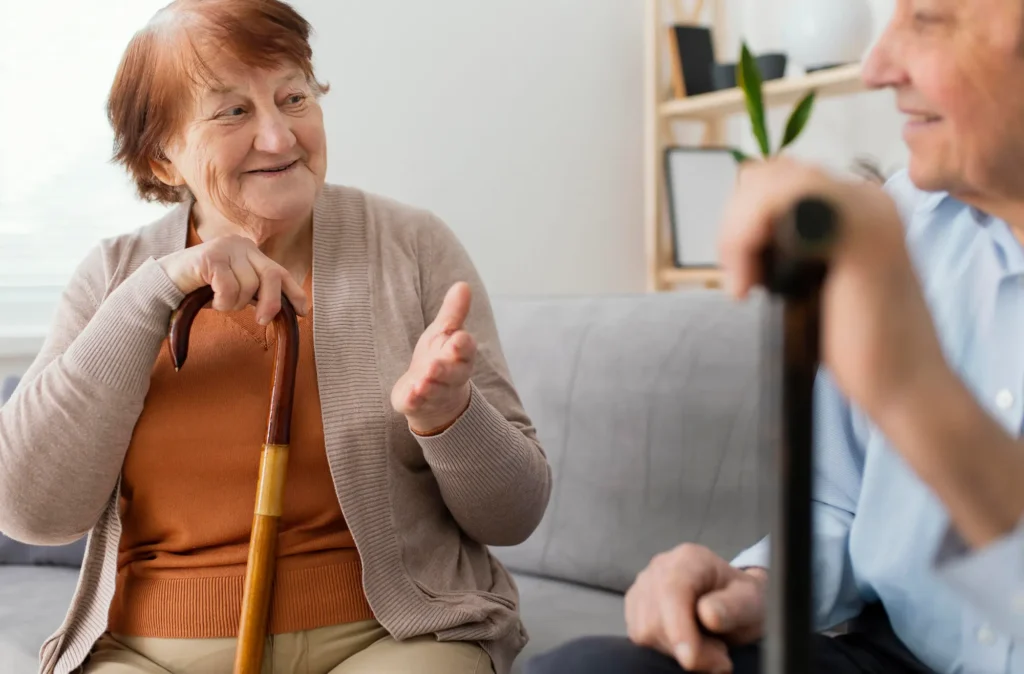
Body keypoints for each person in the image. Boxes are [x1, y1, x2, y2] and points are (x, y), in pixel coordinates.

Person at [0, 1, 551, 673]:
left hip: (395, 637)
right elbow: (29, 511)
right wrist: (152, 293)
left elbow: (514, 515)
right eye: (232, 111)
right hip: (152, 653)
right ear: (162, 158)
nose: (278, 136)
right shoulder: (114, 275)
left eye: (294, 98)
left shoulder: (411, 246)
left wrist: (450, 417)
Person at [527, 1, 1024, 673]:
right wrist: (758, 586)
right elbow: (837, 504)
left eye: (928, 18)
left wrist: (911, 391)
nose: (877, 66)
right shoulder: (906, 223)